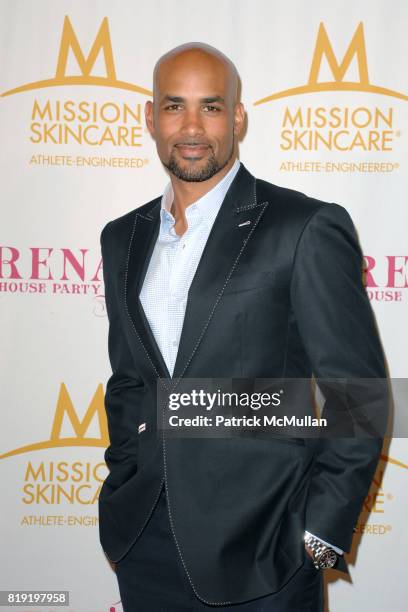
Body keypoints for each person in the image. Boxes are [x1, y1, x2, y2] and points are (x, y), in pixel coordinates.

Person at [98, 42, 387, 611]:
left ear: (238, 116)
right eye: (174, 106)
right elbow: (130, 380)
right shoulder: (122, 237)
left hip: (264, 553)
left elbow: (357, 396)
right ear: (149, 116)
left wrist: (319, 543)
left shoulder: (303, 226)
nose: (191, 127)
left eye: (211, 106)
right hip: (143, 543)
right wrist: (120, 494)